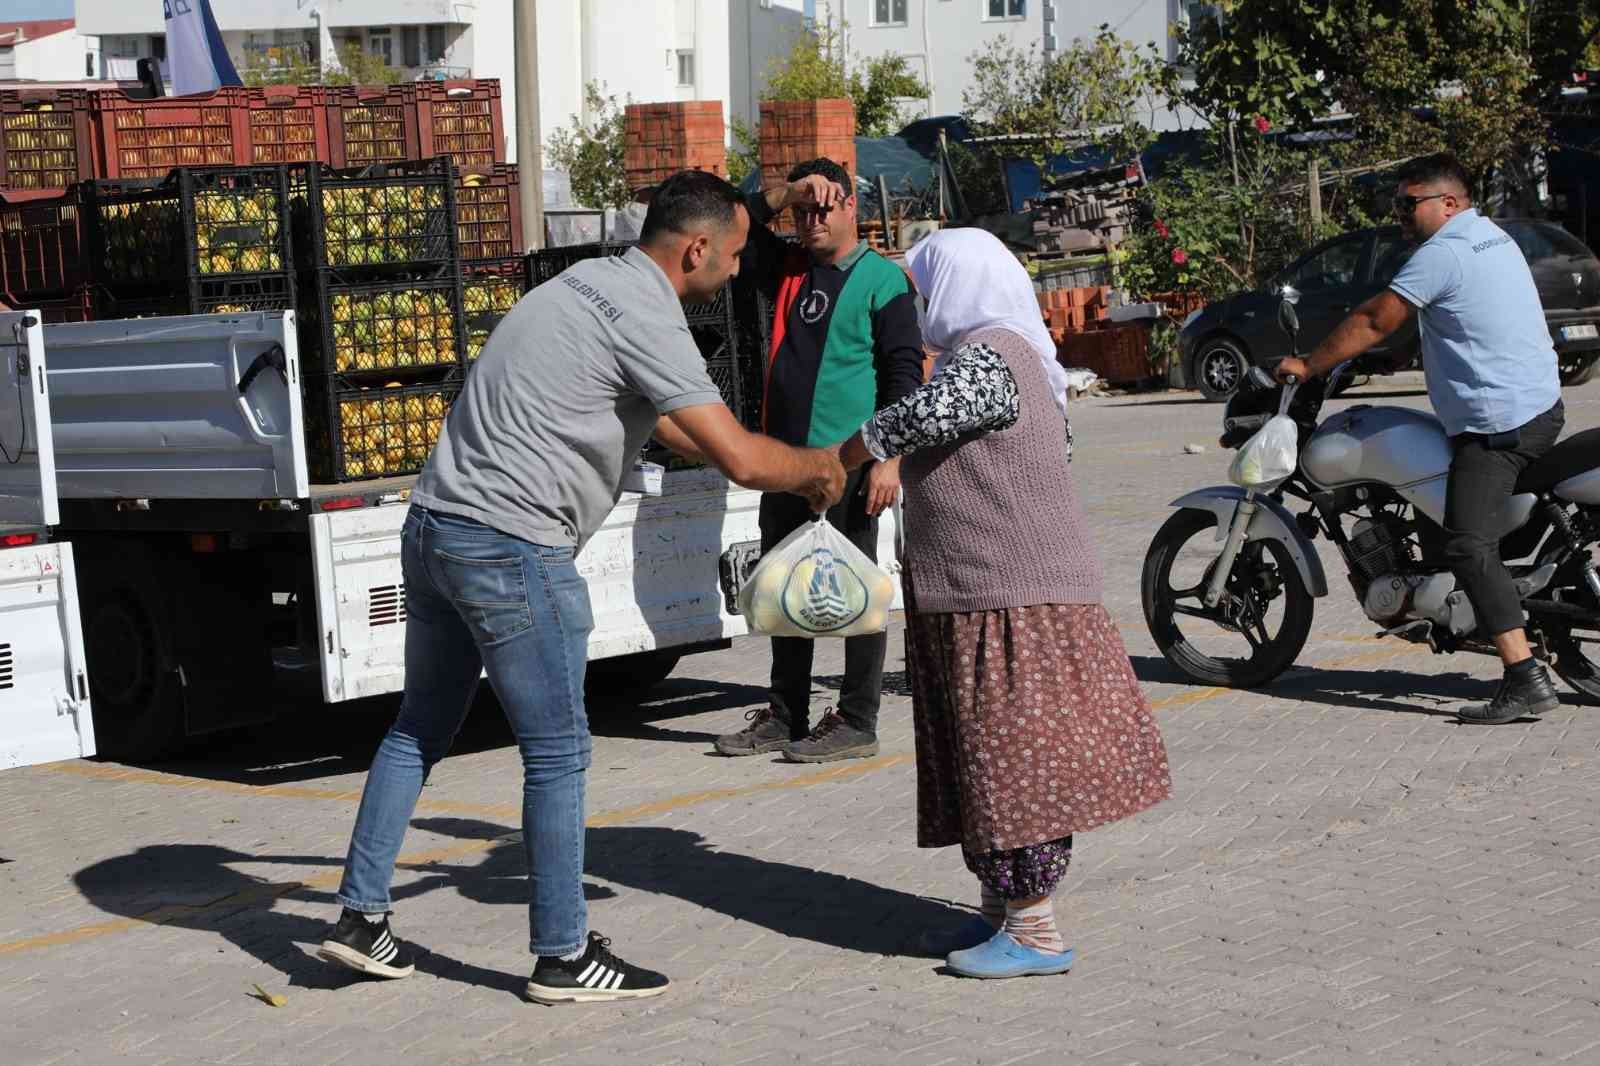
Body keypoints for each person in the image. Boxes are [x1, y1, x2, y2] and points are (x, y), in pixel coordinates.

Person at [316, 170, 846, 1004]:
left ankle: (359, 917)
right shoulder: (649, 313)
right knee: (559, 754)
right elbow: (744, 459)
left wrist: (719, 443)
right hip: (513, 549)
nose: (741, 271)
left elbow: (668, 419)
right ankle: (562, 954)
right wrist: (818, 467)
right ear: (697, 248)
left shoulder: (587, 282)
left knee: (419, 726)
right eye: (737, 256)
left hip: (434, 528)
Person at [835, 228, 1172, 980]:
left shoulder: (996, 354)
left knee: (1013, 755)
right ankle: (1003, 911)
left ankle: (1035, 931)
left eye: (923, 287)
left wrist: (847, 454)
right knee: (984, 752)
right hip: (979, 592)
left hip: (1009, 596)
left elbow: (916, 420)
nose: (917, 303)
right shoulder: (1007, 357)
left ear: (959, 284)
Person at [1275, 152, 1566, 726]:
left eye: (1410, 205)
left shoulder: (1445, 252)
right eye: (1397, 206)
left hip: (1497, 426)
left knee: (1466, 543)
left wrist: (1307, 365)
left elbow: (1378, 319)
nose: (1401, 216)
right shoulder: (1491, 238)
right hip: (1536, 406)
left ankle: (1524, 677)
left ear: (1448, 203)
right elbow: (1455, 322)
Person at [713, 157, 926, 764]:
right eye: (802, 210)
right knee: (784, 586)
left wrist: (889, 460)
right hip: (786, 460)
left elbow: (903, 378)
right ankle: (786, 714)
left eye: (822, 208)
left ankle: (857, 719)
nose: (809, 221)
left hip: (852, 462)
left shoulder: (883, 281)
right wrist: (783, 192)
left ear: (851, 206)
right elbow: (735, 221)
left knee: (855, 591)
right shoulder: (786, 268)